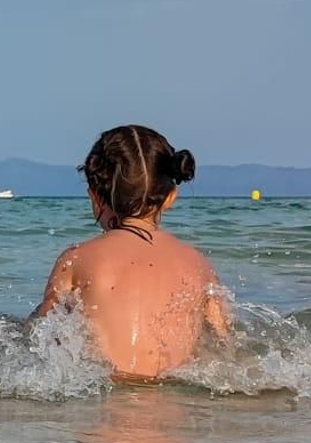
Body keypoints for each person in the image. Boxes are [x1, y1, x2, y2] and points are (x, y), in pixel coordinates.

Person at [31, 125, 231, 378]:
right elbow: (224, 343)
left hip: (104, 403)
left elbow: (41, 333)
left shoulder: (76, 259)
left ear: (94, 196)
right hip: (173, 408)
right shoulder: (199, 265)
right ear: (170, 197)